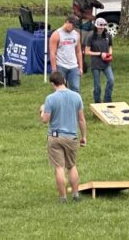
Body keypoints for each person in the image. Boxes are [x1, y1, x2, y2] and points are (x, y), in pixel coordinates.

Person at [40, 71, 88, 203]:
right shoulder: (77, 96)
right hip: (71, 136)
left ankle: (62, 197)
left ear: (52, 84)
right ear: (64, 81)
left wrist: (42, 110)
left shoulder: (50, 98)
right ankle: (76, 195)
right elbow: (82, 119)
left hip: (55, 137)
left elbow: (45, 120)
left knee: (59, 167)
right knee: (71, 166)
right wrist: (83, 136)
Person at [50, 15, 84, 94]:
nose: (73, 28)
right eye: (73, 26)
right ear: (67, 22)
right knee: (60, 90)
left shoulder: (76, 34)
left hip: (73, 66)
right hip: (61, 66)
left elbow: (78, 51)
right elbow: (52, 52)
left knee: (75, 89)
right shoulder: (56, 35)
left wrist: (81, 67)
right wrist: (54, 69)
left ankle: (75, 106)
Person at [83, 18, 114, 103]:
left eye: (103, 27)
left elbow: (110, 46)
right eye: (99, 27)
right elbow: (87, 52)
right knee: (97, 85)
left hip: (106, 63)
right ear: (96, 26)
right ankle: (97, 103)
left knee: (111, 80)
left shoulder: (108, 35)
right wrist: (100, 54)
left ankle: (107, 100)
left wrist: (109, 54)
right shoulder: (90, 37)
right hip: (96, 64)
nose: (101, 28)